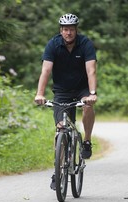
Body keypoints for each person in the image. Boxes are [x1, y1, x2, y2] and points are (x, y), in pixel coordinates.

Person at [34, 13, 97, 160]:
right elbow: (46, 70)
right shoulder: (53, 45)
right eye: (65, 29)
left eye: (71, 29)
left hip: (83, 88)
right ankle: (58, 172)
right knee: (61, 128)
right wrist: (40, 94)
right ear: (61, 30)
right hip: (62, 90)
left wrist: (92, 93)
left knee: (88, 106)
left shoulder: (85, 44)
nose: (68, 33)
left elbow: (91, 70)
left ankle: (87, 141)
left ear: (76, 30)